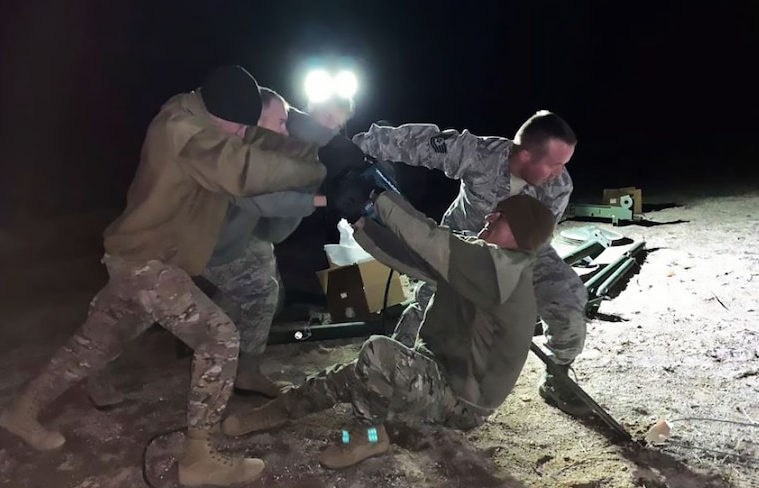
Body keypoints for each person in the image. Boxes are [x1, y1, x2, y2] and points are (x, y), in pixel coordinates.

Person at [0, 65, 326, 488]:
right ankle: (197, 457)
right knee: (219, 337)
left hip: (143, 261)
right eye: (238, 127)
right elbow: (242, 168)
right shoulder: (185, 133)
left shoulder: (200, 113)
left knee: (93, 345)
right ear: (220, 116)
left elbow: (251, 139)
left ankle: (21, 411)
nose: (242, 133)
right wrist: (313, 172)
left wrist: (309, 148)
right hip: (147, 263)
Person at [221, 189, 556, 468]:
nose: (490, 218)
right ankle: (276, 411)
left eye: (501, 216)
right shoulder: (487, 261)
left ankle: (368, 435)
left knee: (379, 355)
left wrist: (377, 195)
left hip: (462, 400)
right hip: (439, 369)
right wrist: (361, 222)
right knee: (356, 372)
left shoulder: (503, 270)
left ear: (521, 232)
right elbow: (412, 257)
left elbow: (429, 238)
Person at [346, 111, 591, 417]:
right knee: (426, 306)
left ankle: (557, 375)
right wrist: (358, 147)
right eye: (554, 163)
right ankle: (396, 374)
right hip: (465, 243)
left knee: (569, 299)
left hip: (524, 253)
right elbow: (422, 143)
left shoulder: (558, 187)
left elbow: (532, 243)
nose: (560, 172)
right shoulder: (480, 155)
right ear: (526, 154)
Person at [197, 89, 355, 397]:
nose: (330, 126)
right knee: (261, 290)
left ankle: (229, 354)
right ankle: (227, 356)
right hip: (205, 234)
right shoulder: (273, 131)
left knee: (265, 290)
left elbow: (276, 221)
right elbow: (265, 200)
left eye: (337, 123)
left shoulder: (295, 140)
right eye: (327, 116)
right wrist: (326, 199)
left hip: (243, 231)